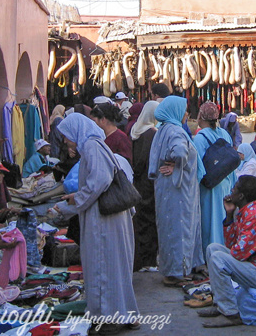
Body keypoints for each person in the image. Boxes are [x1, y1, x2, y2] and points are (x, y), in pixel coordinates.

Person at [56, 113, 139, 335]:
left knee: (104, 265)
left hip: (104, 220)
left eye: (66, 136)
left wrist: (78, 198)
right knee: (115, 266)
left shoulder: (92, 147)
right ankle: (124, 313)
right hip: (109, 216)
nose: (65, 141)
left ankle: (109, 318)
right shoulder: (95, 146)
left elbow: (100, 180)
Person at [198, 176, 256, 328]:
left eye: (234, 188)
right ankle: (220, 304)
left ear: (241, 196)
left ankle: (230, 313)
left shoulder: (253, 215)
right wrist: (229, 215)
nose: (231, 191)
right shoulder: (246, 210)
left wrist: (233, 251)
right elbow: (232, 244)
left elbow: (238, 253)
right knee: (212, 248)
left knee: (217, 258)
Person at [148, 96, 204, 287]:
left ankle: (172, 270)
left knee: (169, 229)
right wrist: (177, 164)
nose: (186, 114)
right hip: (179, 191)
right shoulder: (176, 131)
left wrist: (173, 163)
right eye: (184, 110)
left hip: (167, 190)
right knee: (181, 229)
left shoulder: (163, 129)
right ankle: (178, 273)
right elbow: (180, 152)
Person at [193, 101, 237, 255]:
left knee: (209, 220)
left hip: (209, 186)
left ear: (201, 117)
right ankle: (223, 251)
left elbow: (197, 166)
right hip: (225, 183)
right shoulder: (224, 134)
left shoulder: (199, 138)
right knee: (222, 218)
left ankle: (210, 254)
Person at [130, 101, 159, 271]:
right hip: (148, 183)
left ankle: (140, 259)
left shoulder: (136, 130)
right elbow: (145, 160)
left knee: (140, 221)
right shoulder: (151, 133)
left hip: (139, 182)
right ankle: (147, 260)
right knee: (149, 222)